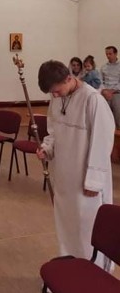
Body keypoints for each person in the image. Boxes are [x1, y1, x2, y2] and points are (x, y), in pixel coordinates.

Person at [37, 60, 114, 269]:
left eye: (57, 90)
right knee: (66, 226)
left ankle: (94, 271)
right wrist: (47, 148)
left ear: (69, 78)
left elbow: (102, 142)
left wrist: (94, 181)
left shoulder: (92, 100)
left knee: (87, 228)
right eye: (51, 93)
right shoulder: (56, 99)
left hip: (85, 181)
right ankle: (70, 269)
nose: (55, 95)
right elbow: (53, 131)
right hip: (64, 178)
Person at [100, 45, 120, 128]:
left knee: (118, 112)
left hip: (117, 92)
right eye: (106, 54)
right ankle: (108, 130)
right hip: (105, 92)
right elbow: (100, 81)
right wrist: (104, 91)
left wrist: (111, 91)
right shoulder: (103, 67)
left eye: (110, 54)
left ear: (116, 54)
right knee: (104, 114)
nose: (108, 56)